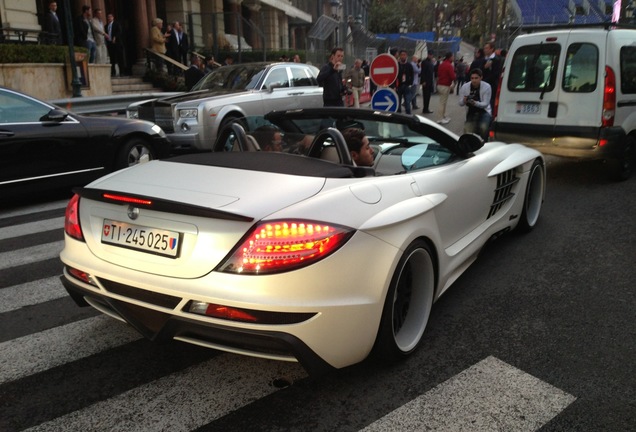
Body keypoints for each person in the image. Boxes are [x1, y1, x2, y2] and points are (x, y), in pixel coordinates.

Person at [458, 68, 492, 140]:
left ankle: (483, 144)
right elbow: (460, 103)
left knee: (483, 128)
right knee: (468, 130)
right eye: (472, 78)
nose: (474, 80)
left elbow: (485, 103)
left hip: (484, 110)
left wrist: (475, 103)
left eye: (476, 78)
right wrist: (464, 101)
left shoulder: (487, 87)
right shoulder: (465, 87)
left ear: (481, 78)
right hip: (471, 110)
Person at [435, 52, 456, 124]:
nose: (453, 58)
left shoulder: (441, 64)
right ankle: (440, 118)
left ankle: (443, 116)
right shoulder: (449, 65)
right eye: (452, 56)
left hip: (440, 84)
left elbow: (438, 74)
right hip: (445, 85)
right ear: (450, 57)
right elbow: (453, 76)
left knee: (443, 102)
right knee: (442, 102)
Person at [482, 42, 502, 108]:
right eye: (484, 48)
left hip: (492, 86)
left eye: (487, 48)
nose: (485, 50)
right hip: (483, 86)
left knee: (491, 103)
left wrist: (485, 80)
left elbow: (496, 73)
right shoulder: (483, 59)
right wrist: (484, 67)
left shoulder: (496, 59)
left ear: (491, 49)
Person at [396, 50, 414, 114]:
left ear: (406, 56)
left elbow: (412, 75)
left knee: (407, 102)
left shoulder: (409, 65)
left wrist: (410, 84)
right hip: (399, 86)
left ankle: (408, 115)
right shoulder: (397, 65)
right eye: (401, 55)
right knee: (398, 102)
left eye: (404, 55)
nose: (403, 56)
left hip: (407, 86)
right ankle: (398, 115)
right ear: (400, 56)